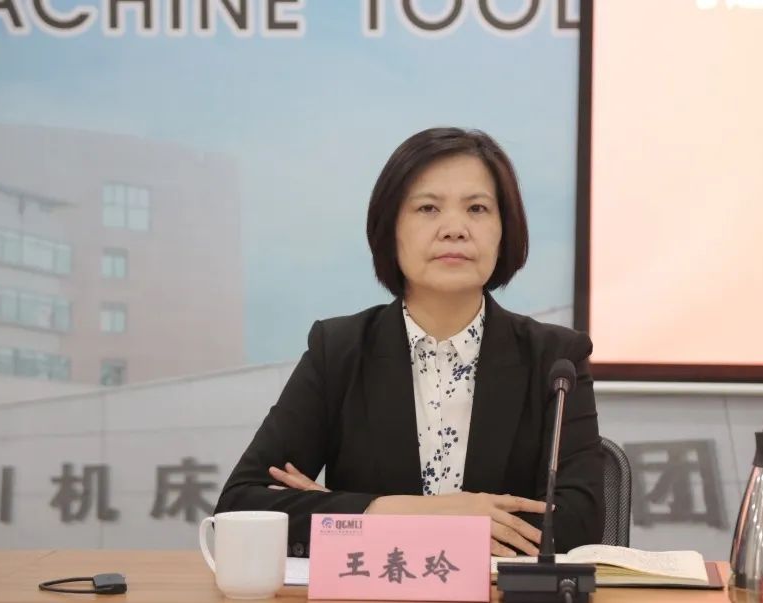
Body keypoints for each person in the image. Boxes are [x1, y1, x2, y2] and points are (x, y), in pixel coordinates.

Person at [215, 127, 604, 558]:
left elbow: (577, 525)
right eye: (428, 208)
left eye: (477, 208)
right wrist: (415, 513)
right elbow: (241, 505)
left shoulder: (555, 359)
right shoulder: (339, 351)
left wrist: (344, 513)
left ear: (504, 231)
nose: (454, 229)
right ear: (391, 229)